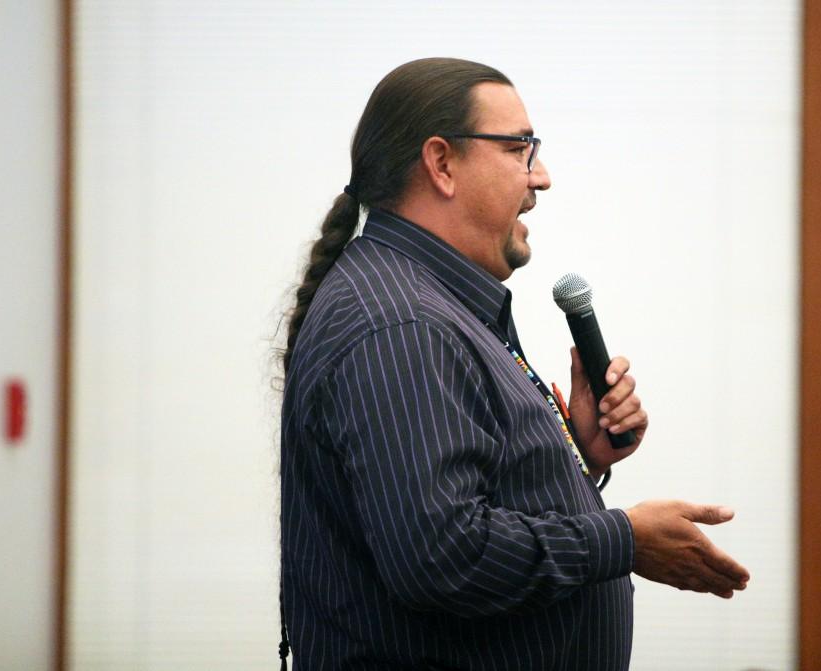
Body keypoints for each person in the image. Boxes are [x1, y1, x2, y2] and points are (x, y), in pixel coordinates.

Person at [279, 57, 749, 670]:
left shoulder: (428, 304)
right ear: (442, 163)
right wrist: (624, 539)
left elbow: (455, 509)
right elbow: (441, 556)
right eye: (519, 148)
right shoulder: (404, 324)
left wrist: (572, 458)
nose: (542, 177)